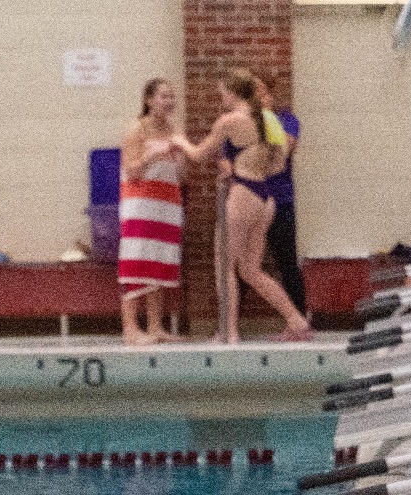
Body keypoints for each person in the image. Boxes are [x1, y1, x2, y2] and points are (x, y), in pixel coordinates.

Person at [211, 68, 314, 342]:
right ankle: (295, 320)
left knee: (277, 263)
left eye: (261, 90)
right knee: (248, 269)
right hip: (263, 194)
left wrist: (178, 142)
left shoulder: (275, 120)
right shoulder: (249, 121)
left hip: (265, 195)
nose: (258, 95)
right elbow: (227, 157)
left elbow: (281, 156)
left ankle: (230, 332)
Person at [119, 78, 196, 345]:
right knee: (138, 261)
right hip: (141, 204)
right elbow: (132, 170)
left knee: (160, 263)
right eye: (164, 96)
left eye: (172, 97)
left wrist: (180, 156)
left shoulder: (175, 131)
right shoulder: (136, 130)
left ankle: (155, 327)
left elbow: (183, 176)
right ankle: (130, 329)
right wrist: (156, 155)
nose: (169, 101)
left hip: (167, 204)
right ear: (149, 100)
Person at [252, 77, 306, 317]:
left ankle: (299, 318)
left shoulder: (286, 120)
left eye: (262, 91)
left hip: (280, 197)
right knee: (242, 263)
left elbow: (284, 150)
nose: (258, 96)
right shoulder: (243, 123)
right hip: (252, 199)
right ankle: (230, 324)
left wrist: (267, 117)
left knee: (286, 261)